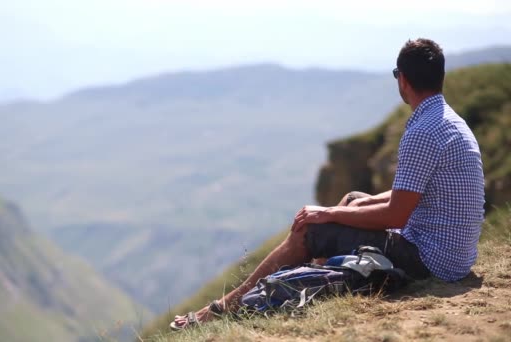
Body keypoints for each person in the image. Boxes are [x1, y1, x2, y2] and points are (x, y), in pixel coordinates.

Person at [171, 38, 485, 330]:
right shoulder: (448, 121)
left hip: (430, 261)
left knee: (311, 228)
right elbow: (413, 192)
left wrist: (329, 215)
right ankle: (312, 281)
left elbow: (396, 216)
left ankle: (224, 308)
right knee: (351, 199)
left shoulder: (421, 133)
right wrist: (348, 207)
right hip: (453, 255)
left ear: (402, 79)